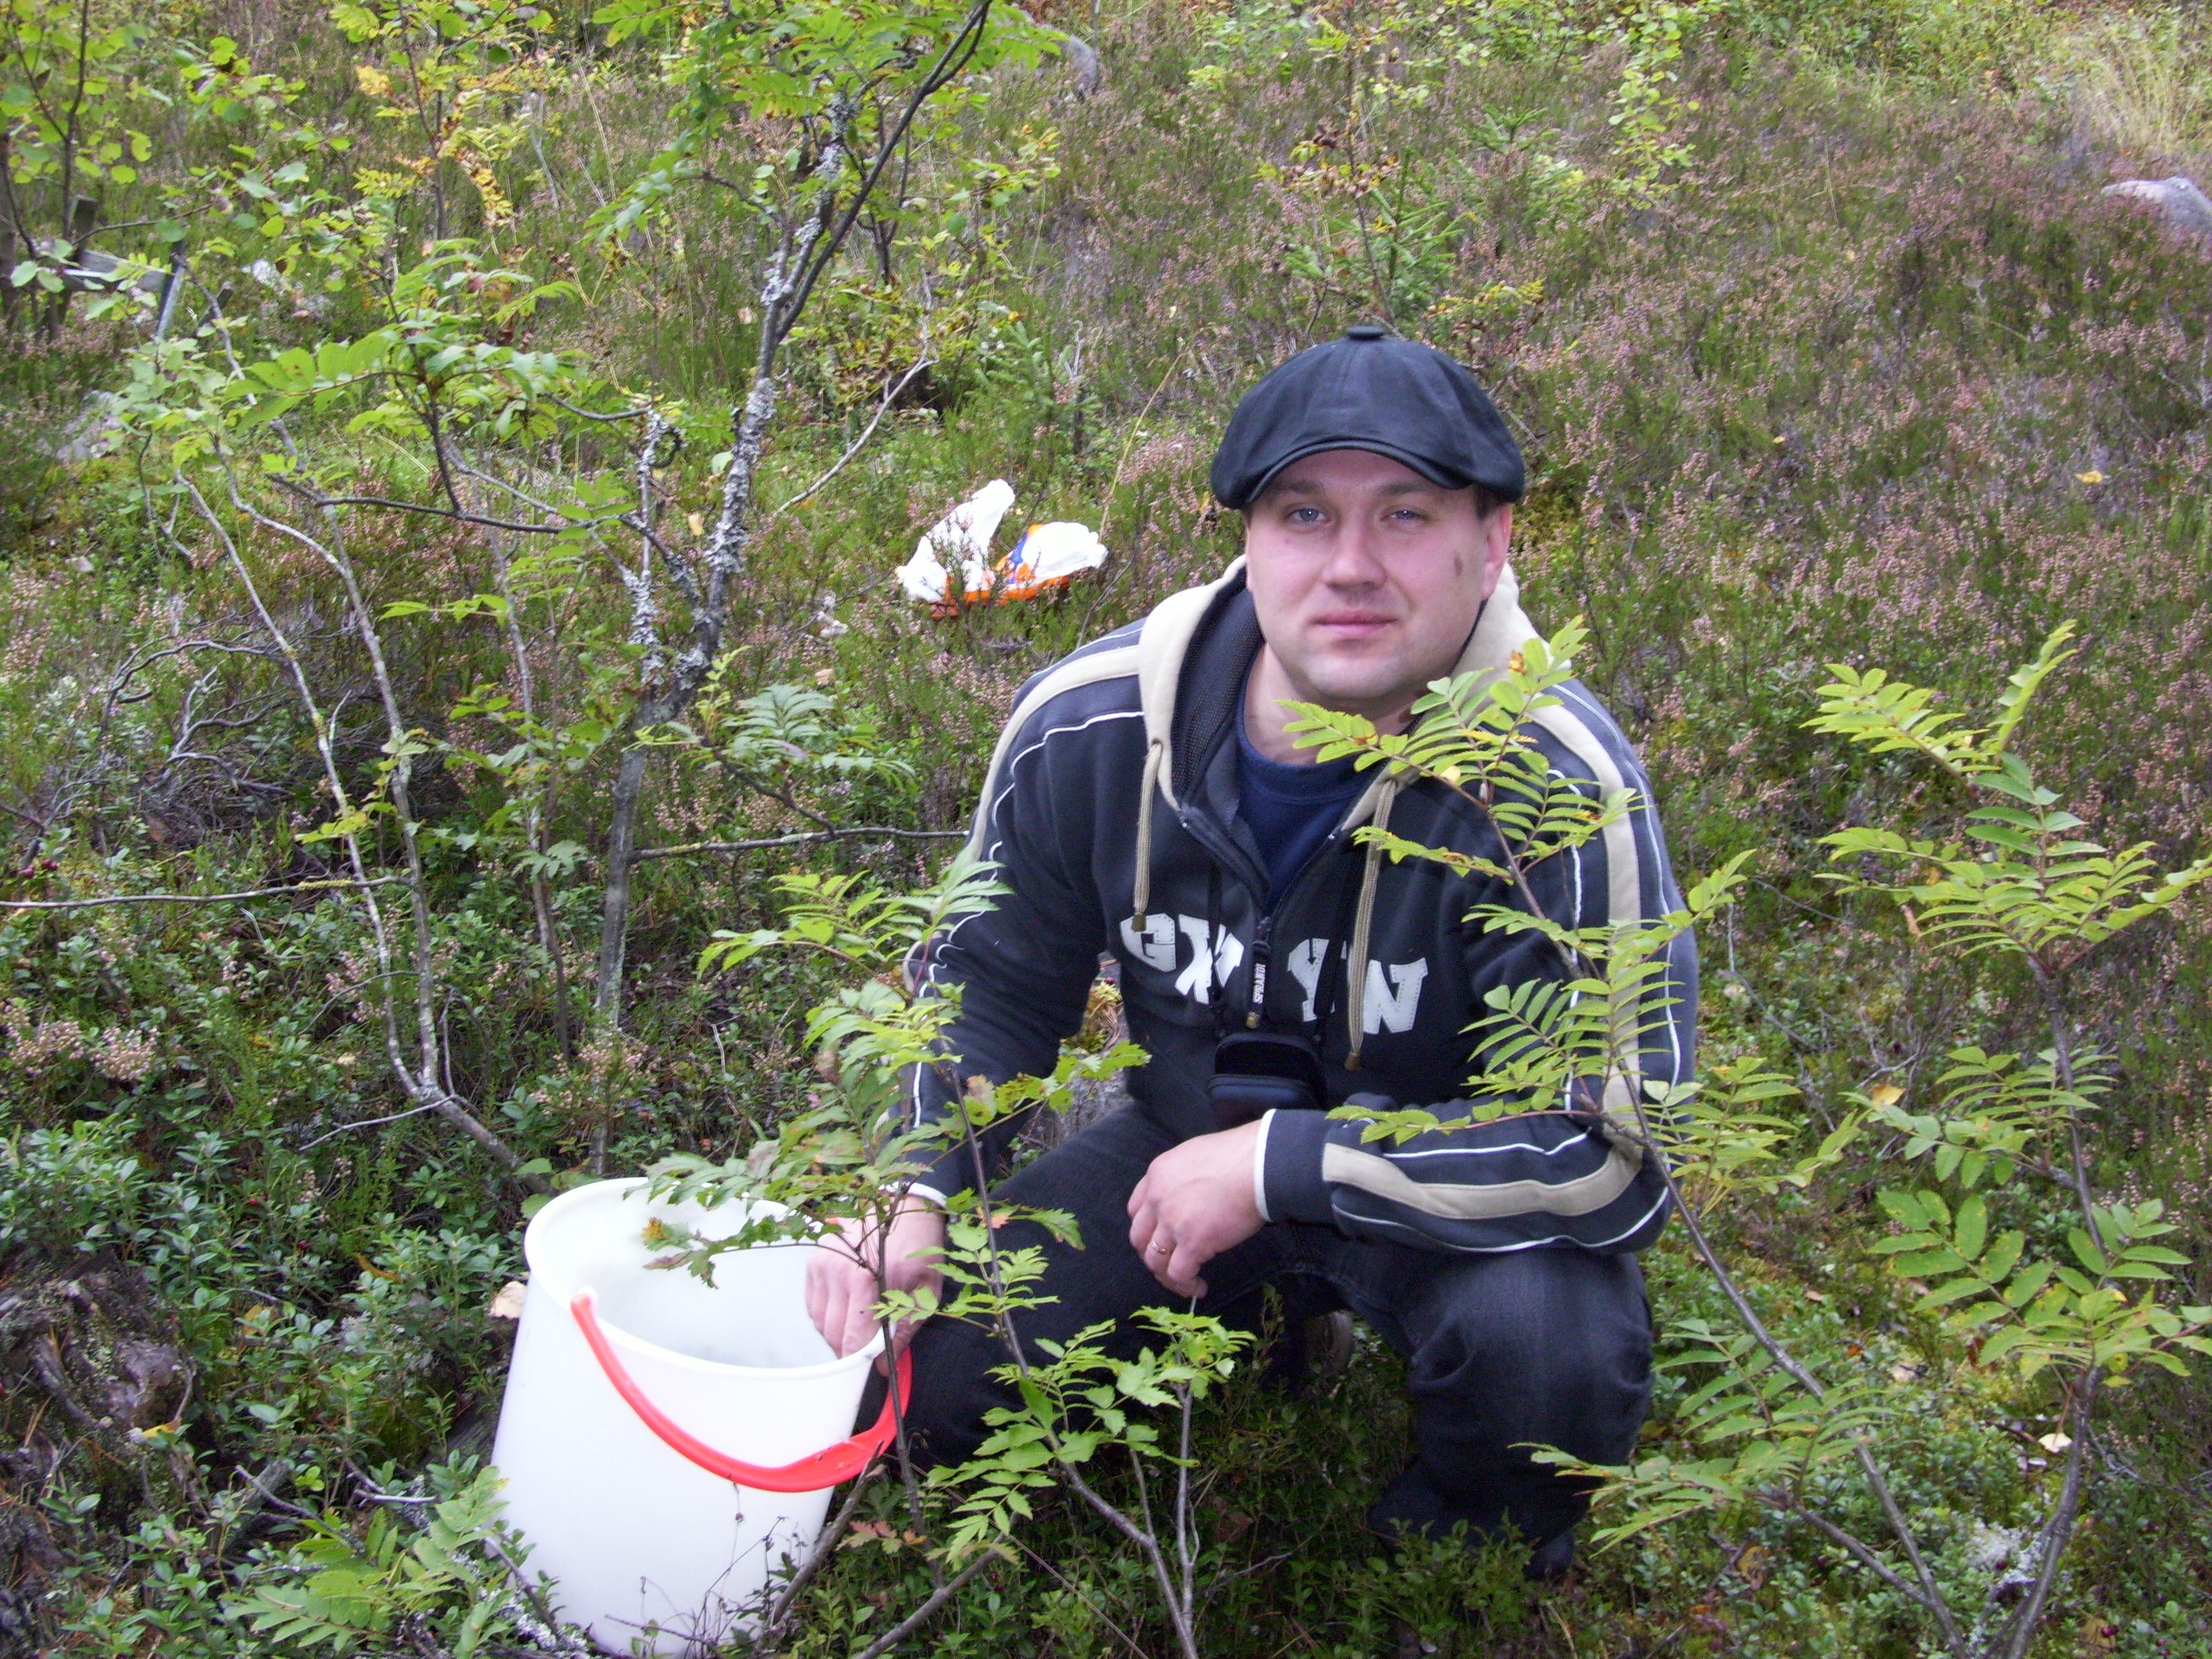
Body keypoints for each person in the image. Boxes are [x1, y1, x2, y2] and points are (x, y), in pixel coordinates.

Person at [804, 324, 1696, 1577]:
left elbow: (1614, 1147)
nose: (1350, 565)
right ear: (1249, 536)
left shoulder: (1558, 786)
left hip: (1443, 1199)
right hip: (1176, 1151)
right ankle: (1260, 1326)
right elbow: (989, 985)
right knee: (938, 1379)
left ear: (1492, 541)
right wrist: (915, 1189)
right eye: (1303, 514)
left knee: (1548, 1360)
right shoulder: (1092, 726)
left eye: (1405, 515)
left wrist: (1290, 1165)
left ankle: (1453, 1575)